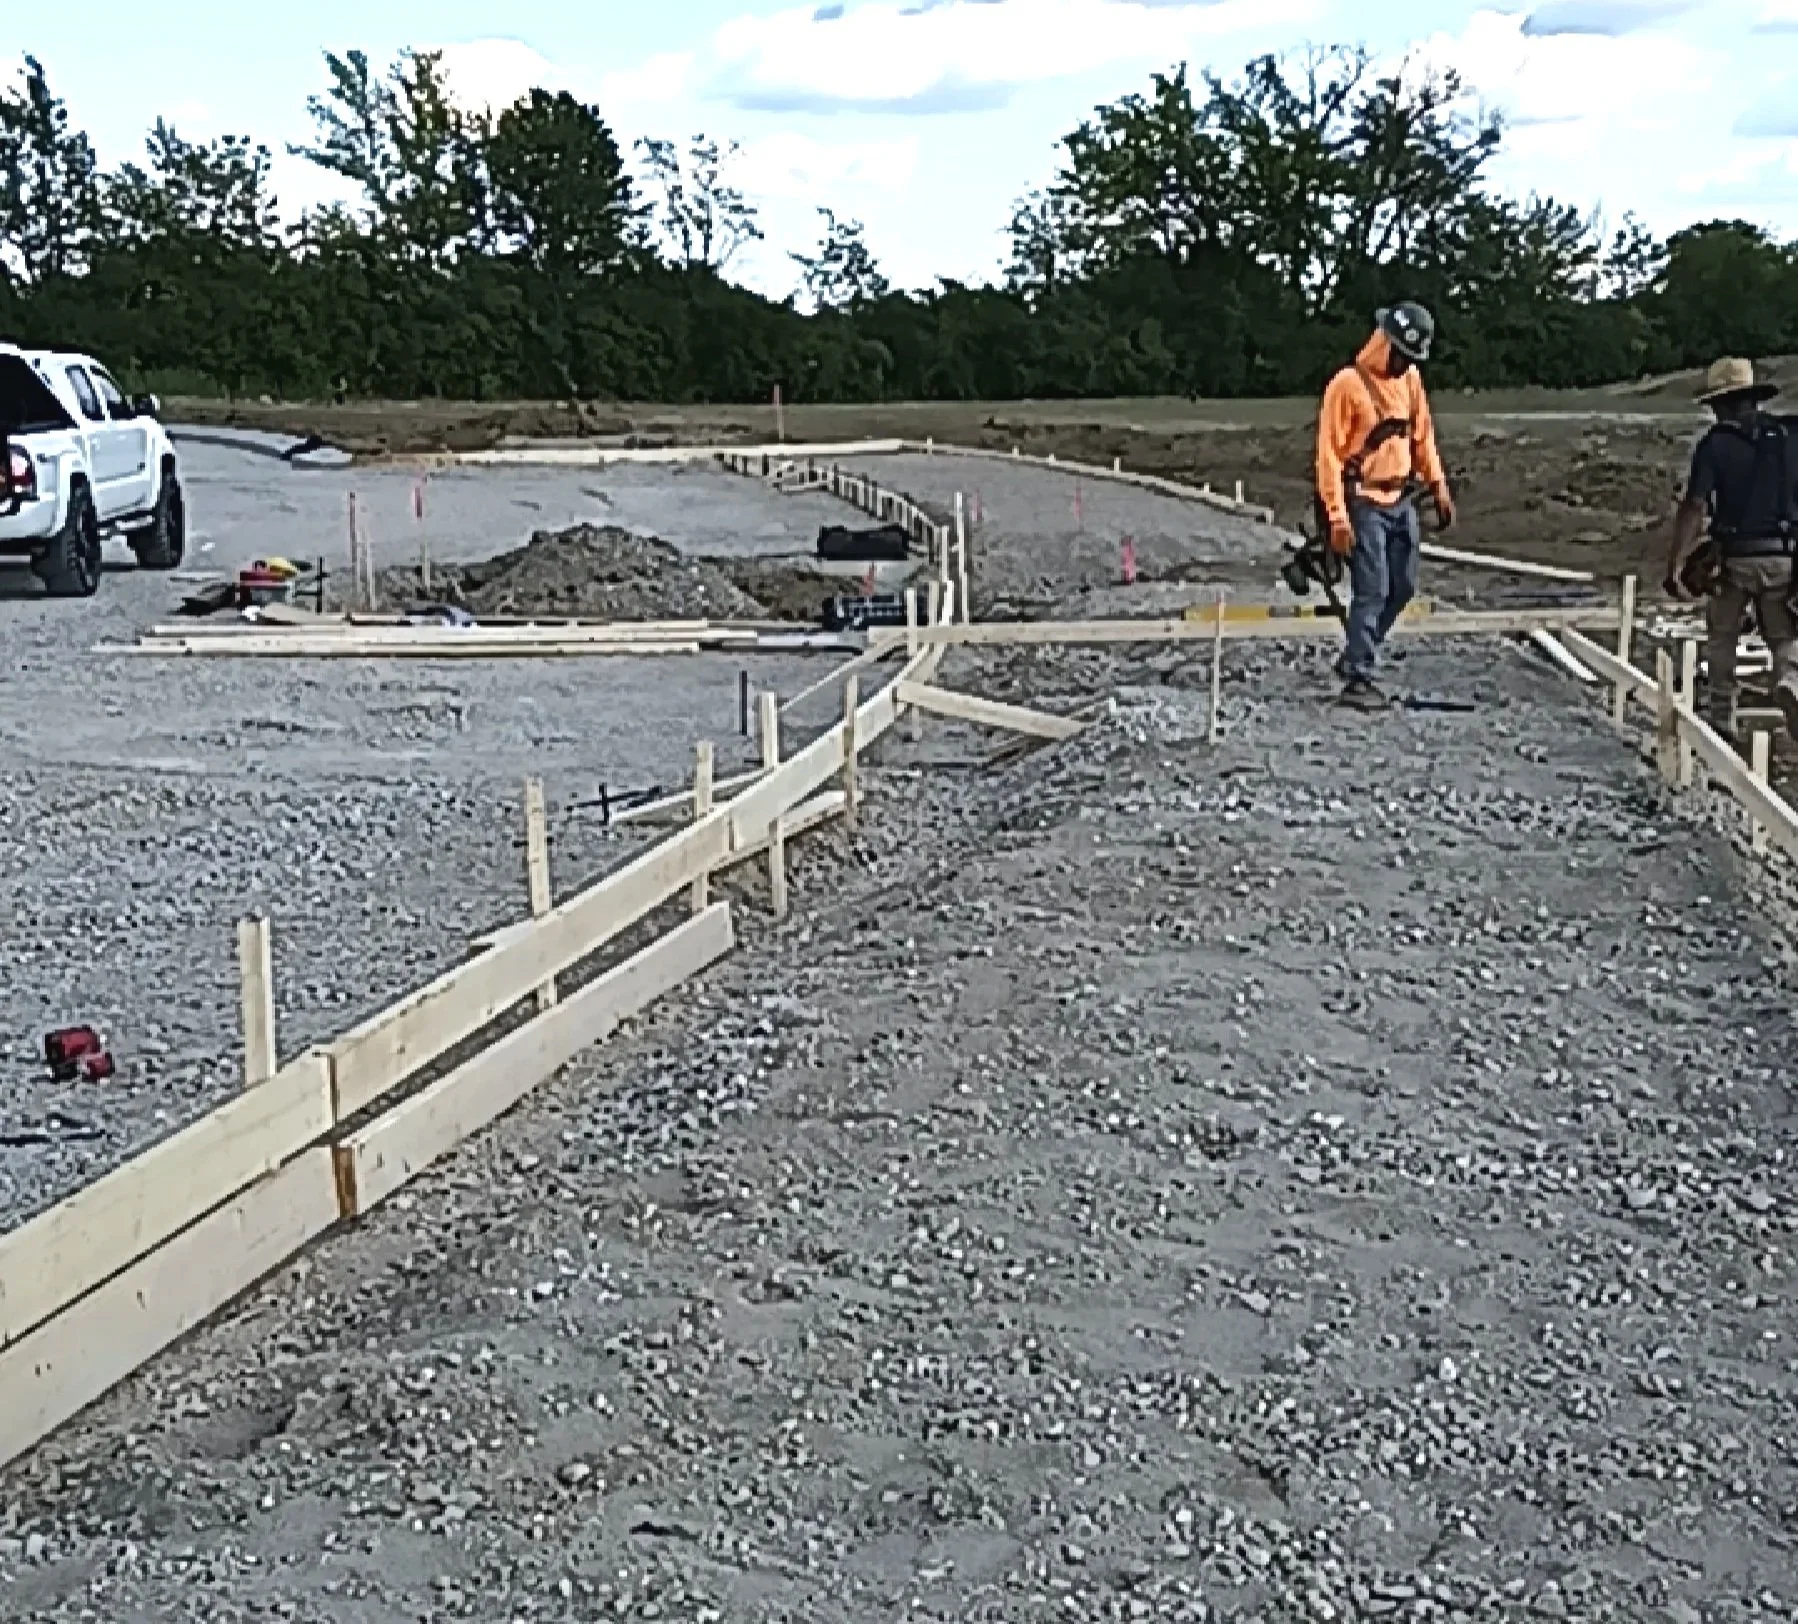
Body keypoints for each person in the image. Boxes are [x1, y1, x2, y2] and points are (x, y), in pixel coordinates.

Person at [1315, 302, 1457, 709]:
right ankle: (1358, 677)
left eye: (1412, 359)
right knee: (1372, 590)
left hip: (1400, 499)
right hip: (1363, 501)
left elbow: (1422, 436)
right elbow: (1328, 456)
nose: (1405, 366)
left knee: (1403, 586)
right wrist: (1337, 517)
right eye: (1402, 356)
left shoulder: (1410, 381)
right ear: (1386, 345)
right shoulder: (1347, 386)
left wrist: (1438, 484)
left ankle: (1358, 652)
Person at [1665, 357, 1798, 740]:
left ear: (1721, 403)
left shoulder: (1715, 445)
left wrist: (1676, 563)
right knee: (1784, 635)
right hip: (1783, 555)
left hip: (1735, 557)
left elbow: (1695, 505)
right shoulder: (1788, 438)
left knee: (1722, 636)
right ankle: (1790, 681)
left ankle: (1723, 715)